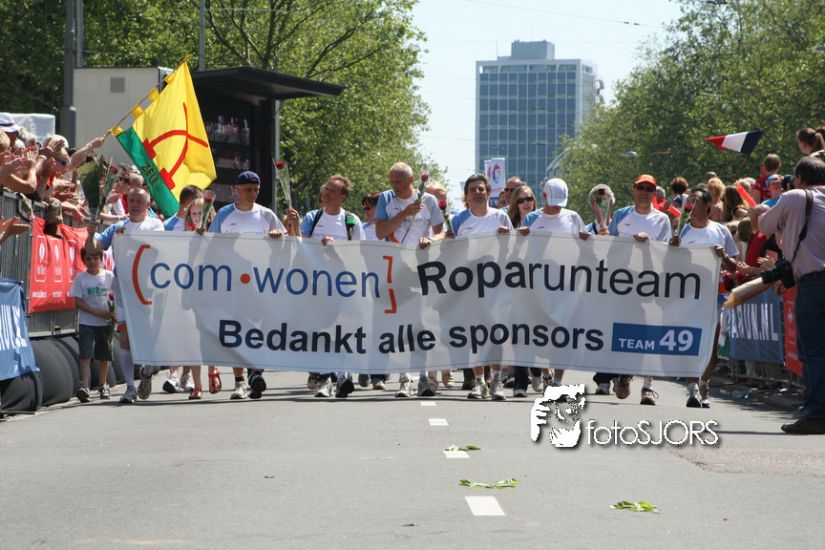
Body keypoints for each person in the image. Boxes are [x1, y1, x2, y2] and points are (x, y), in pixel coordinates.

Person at [759, 156, 825, 434]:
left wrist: (781, 217)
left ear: (799, 178)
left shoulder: (796, 196)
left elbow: (763, 225)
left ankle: (817, 414)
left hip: (814, 283)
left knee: (814, 351)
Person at [207, 171, 286, 399]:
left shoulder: (267, 215)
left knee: (258, 329)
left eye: (256, 190)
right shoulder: (224, 214)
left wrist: (278, 237)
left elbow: (285, 244)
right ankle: (240, 381)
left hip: (260, 282)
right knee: (236, 330)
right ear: (236, 190)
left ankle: (255, 372)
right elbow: (210, 246)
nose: (252, 194)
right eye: (248, 190)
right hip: (232, 283)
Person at [594, 174, 671, 404]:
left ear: (654, 193)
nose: (645, 192)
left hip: (650, 282)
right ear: (633, 189)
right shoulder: (621, 215)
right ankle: (621, 374)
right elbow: (609, 247)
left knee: (646, 334)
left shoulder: (662, 219)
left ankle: (645, 385)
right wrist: (601, 239)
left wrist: (649, 243)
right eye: (641, 187)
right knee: (618, 331)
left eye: (649, 188)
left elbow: (667, 252)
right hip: (622, 283)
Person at [84, 187, 165, 404]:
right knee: (126, 340)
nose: (135, 204)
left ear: (147, 204)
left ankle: (147, 371)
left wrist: (128, 238)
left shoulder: (155, 225)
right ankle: (130, 387)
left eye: (139, 201)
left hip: (148, 290)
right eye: (132, 200)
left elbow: (157, 247)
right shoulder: (117, 227)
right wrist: (91, 233)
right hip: (123, 291)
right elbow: (92, 249)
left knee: (148, 338)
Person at [374, 162, 444, 397]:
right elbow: (380, 232)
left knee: (420, 323)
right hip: (395, 267)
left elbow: (441, 231)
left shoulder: (429, 201)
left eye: (399, 182)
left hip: (422, 268)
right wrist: (405, 213)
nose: (395, 186)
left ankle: (423, 377)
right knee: (400, 323)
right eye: (392, 181)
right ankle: (404, 378)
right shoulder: (386, 199)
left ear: (412, 180)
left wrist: (431, 240)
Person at [518, 178, 590, 390]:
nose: (558, 206)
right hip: (537, 285)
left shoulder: (573, 217)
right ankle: (543, 371)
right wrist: (520, 236)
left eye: (561, 202)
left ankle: (557, 380)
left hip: (565, 285)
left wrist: (586, 239)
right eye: (554, 201)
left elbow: (586, 248)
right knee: (539, 332)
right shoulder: (531, 218)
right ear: (544, 196)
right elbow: (519, 249)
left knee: (562, 334)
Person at [670, 185, 739, 408]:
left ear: (708, 205)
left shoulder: (721, 231)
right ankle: (692, 388)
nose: (690, 204)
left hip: (714, 294)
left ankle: (703, 382)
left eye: (696, 200)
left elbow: (734, 266)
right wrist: (672, 249)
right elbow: (668, 265)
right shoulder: (681, 232)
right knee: (690, 340)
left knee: (711, 345)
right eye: (689, 200)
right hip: (688, 294)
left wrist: (723, 256)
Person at [298, 175, 365, 398]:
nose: (326, 193)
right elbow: (301, 246)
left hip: (343, 285)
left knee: (342, 331)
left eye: (332, 191)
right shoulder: (313, 217)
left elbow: (359, 253)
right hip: (316, 285)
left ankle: (342, 375)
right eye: (326, 188)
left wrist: (337, 248)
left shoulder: (351, 221)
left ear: (342, 198)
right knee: (322, 332)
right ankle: (325, 379)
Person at [449, 173, 513, 400]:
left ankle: (496, 381)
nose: (477, 192)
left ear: (488, 192)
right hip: (469, 285)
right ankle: (478, 382)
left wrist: (509, 237)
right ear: (466, 196)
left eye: (481, 189)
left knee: (495, 334)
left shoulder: (501, 217)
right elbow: (450, 251)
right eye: (472, 190)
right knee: (474, 334)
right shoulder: (458, 220)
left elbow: (514, 249)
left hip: (496, 284)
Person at [160, 185, 204, 395]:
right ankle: (174, 374)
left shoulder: (203, 226)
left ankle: (186, 376)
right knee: (175, 330)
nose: (199, 210)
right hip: (173, 287)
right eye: (197, 204)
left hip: (196, 287)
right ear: (187, 204)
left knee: (192, 332)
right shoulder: (167, 226)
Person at [68, 248, 115, 402]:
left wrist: (113, 313)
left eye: (95, 258)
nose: (92, 262)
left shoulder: (109, 276)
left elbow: (117, 297)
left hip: (105, 323)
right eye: (88, 259)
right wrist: (96, 312)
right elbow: (77, 302)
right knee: (85, 354)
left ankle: (103, 384)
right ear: (84, 261)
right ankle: (84, 385)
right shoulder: (80, 279)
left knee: (104, 355)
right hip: (87, 322)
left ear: (101, 259)